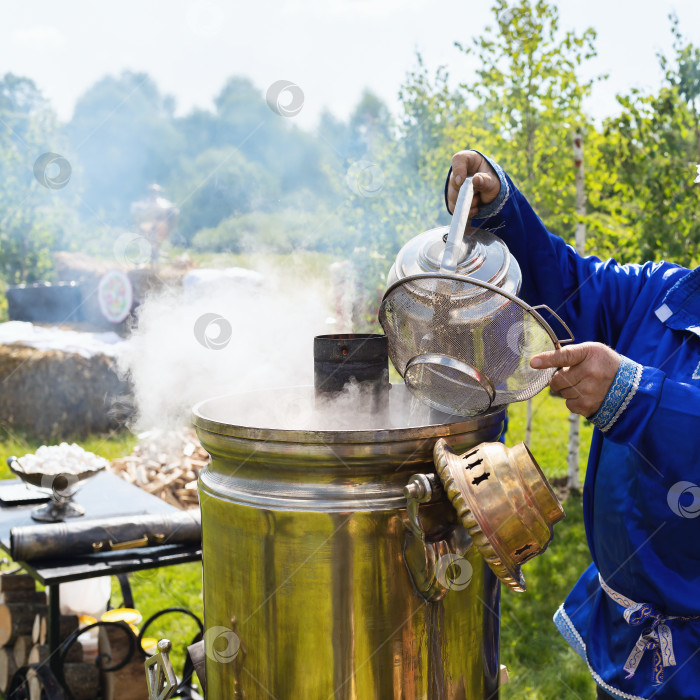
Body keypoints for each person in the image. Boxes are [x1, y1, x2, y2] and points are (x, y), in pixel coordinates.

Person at [445, 150, 700, 700]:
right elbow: (570, 288)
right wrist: (502, 212)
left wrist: (635, 396)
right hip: (632, 634)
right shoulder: (664, 297)